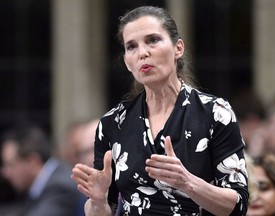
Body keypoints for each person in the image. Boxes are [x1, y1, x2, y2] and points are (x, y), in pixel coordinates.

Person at [71, 6, 249, 215]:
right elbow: (103, 210)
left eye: (153, 40)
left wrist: (187, 182)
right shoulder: (113, 122)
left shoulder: (215, 112)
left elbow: (238, 205)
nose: (143, 53)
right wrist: (98, 200)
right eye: (131, 47)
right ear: (127, 63)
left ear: (178, 48)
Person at [0, 125, 80, 216]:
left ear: (33, 161)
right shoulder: (41, 186)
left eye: (11, 165)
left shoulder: (61, 186)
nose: (5, 172)